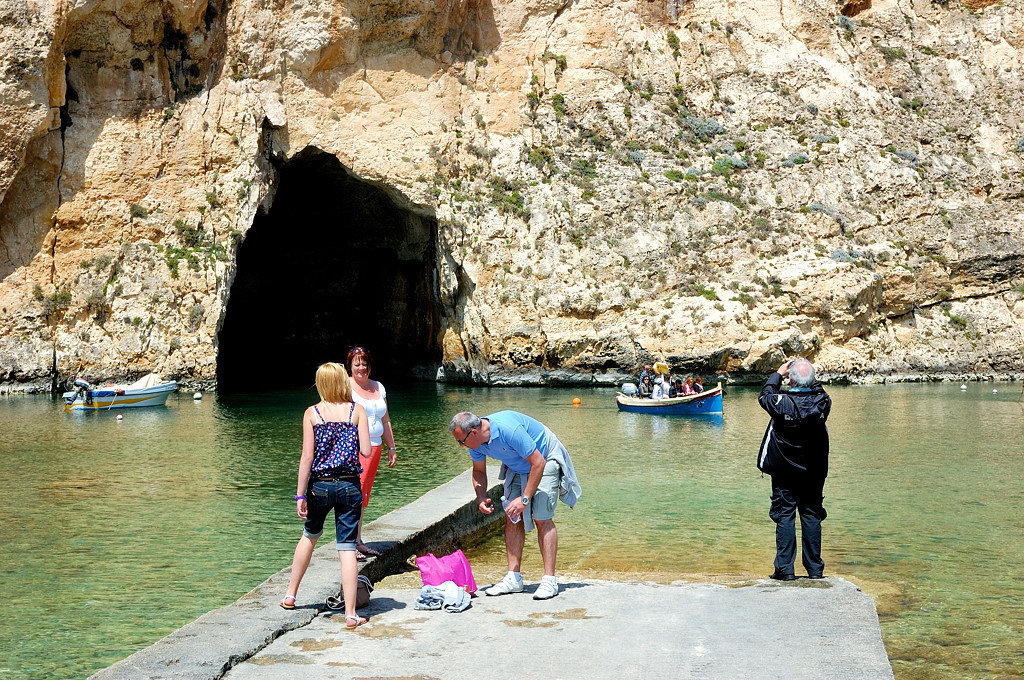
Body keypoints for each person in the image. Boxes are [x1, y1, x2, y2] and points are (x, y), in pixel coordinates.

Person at [449, 411, 582, 600]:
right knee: (512, 516)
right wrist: (481, 497)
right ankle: (513, 578)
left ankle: (549, 580)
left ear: (474, 432)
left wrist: (525, 498)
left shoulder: (508, 430)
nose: (461, 446)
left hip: (545, 459)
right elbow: (479, 471)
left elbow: (538, 462)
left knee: (541, 518)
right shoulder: (475, 443)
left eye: (461, 441)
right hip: (518, 466)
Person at [281, 362, 372, 628]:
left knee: (309, 537)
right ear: (343, 382)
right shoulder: (357, 411)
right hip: (349, 485)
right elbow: (366, 451)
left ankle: (290, 595)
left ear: (321, 384)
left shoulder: (312, 413)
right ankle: (351, 614)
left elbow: (307, 457)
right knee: (346, 548)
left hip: (319, 486)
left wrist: (300, 495)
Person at [757, 358, 831, 581]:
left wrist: (778, 373)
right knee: (811, 516)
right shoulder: (822, 402)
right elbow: (817, 389)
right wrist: (808, 374)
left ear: (790, 379)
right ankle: (815, 570)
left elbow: (765, 395)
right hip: (813, 471)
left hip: (784, 471)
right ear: (813, 380)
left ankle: (785, 569)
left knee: (785, 516)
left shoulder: (781, 402)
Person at [346, 346, 397, 559]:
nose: (361, 367)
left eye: (364, 363)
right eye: (356, 363)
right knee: (352, 494)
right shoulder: (345, 386)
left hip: (375, 447)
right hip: (355, 448)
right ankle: (349, 543)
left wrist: (391, 447)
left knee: (363, 495)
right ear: (349, 366)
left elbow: (385, 419)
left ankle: (357, 540)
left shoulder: (378, 387)